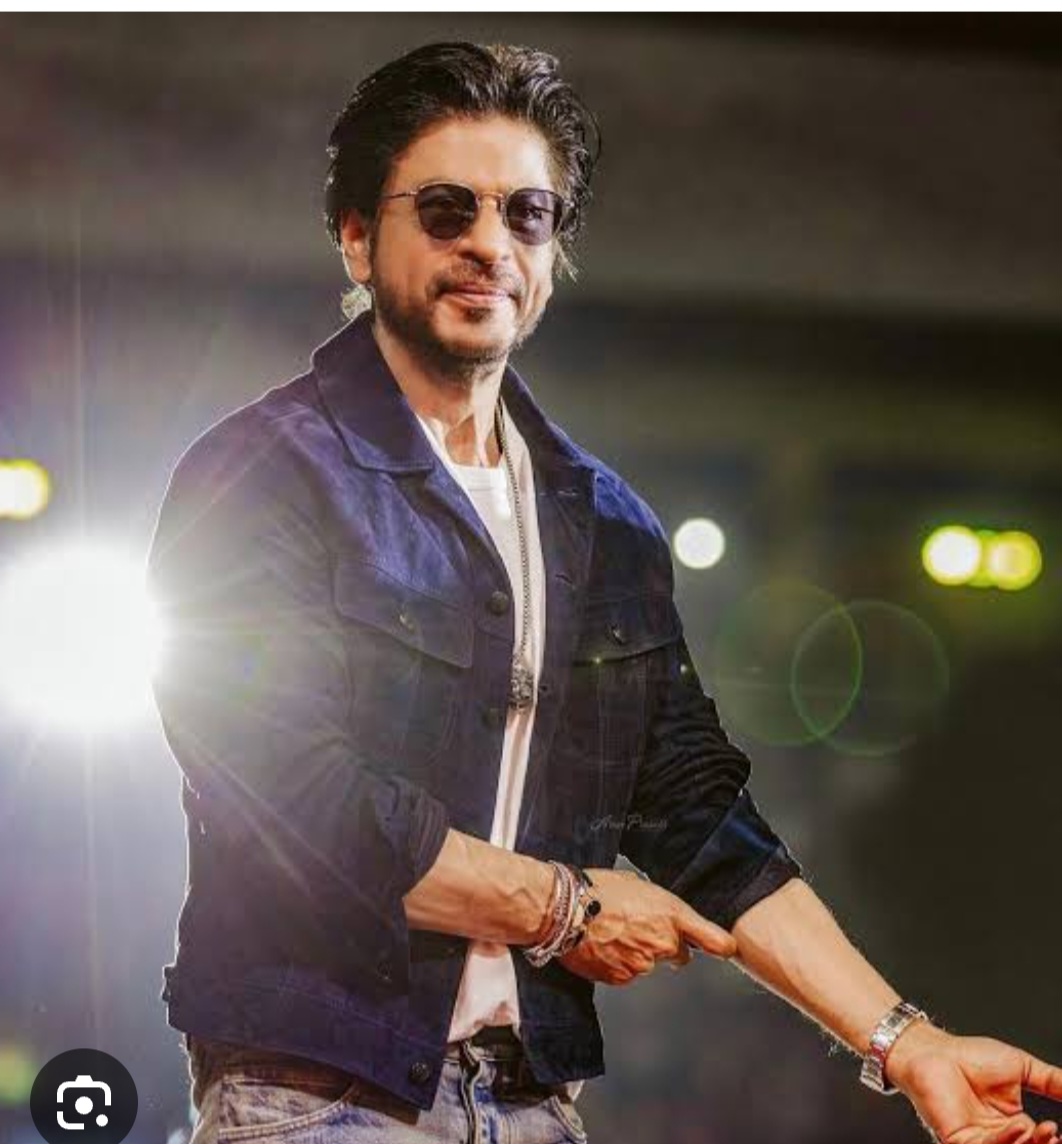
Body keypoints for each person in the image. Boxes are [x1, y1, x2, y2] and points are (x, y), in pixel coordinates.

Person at [147, 40, 1062, 1144]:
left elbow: (694, 808)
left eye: (527, 215)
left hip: (532, 1101)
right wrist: (564, 908)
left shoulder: (605, 519)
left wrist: (909, 1046)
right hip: (316, 1095)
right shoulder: (262, 474)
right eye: (445, 208)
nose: (490, 243)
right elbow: (291, 802)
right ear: (354, 234)